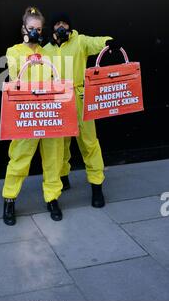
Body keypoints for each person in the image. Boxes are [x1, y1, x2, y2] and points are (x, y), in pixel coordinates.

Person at [45, 13, 116, 208]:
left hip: (80, 98)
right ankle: (63, 176)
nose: (61, 27)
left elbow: (97, 42)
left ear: (69, 26)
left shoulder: (80, 41)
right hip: (58, 100)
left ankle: (96, 186)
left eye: (64, 23)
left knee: (89, 142)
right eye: (57, 23)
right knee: (60, 143)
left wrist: (110, 42)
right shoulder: (46, 50)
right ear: (52, 29)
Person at [2, 7, 64, 226]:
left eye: (39, 29)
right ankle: (9, 199)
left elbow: (56, 79)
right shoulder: (14, 51)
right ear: (24, 29)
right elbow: (13, 74)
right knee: (19, 158)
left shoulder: (48, 53)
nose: (36, 32)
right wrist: (31, 59)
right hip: (26, 113)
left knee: (53, 157)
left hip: (48, 112)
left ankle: (52, 197)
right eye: (31, 29)